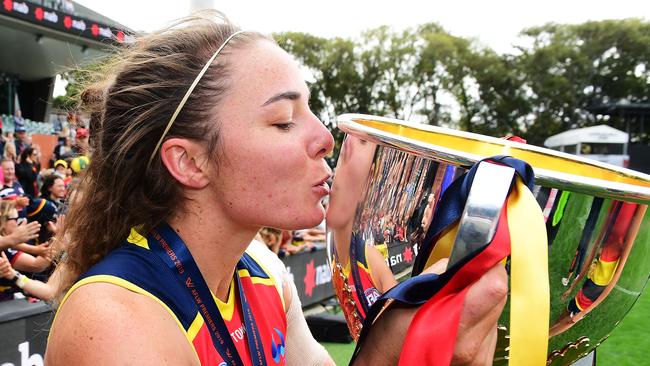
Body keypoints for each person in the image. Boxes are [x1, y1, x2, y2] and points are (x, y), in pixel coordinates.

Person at [46, 11, 506, 366]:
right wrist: (387, 352)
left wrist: (395, 339)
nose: (325, 138)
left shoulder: (262, 272)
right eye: (283, 121)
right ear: (189, 161)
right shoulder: (114, 317)